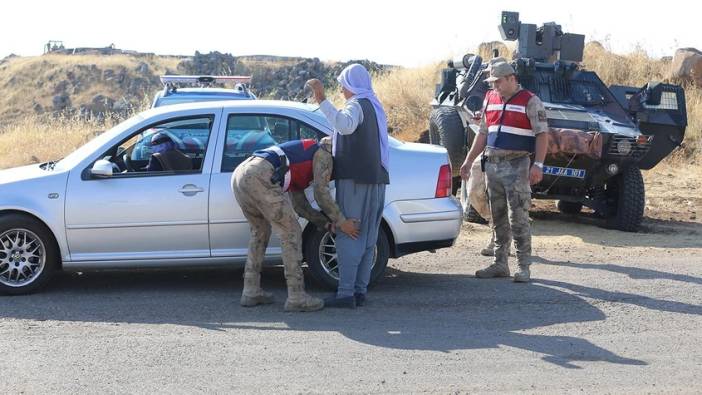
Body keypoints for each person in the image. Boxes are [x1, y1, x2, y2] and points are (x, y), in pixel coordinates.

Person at [231, 136, 358, 312]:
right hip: (259, 175)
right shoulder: (325, 153)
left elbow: (300, 206)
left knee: (260, 232)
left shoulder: (300, 159)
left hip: (242, 173)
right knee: (291, 232)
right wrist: (342, 222)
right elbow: (321, 194)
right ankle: (297, 296)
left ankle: (251, 290)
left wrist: (327, 224)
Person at [306, 63, 389, 308]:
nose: (341, 89)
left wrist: (321, 99)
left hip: (355, 181)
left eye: (343, 84)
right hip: (375, 180)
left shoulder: (356, 105)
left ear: (352, 85)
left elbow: (345, 125)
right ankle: (359, 291)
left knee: (349, 233)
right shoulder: (373, 105)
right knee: (367, 237)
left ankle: (345, 294)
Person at [459, 58, 548, 282]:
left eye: (498, 81)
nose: (495, 85)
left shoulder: (530, 100)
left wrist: (538, 164)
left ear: (512, 78)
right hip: (492, 164)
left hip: (517, 164)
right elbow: (483, 133)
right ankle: (500, 263)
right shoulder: (490, 98)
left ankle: (523, 266)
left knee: (518, 215)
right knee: (497, 215)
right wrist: (469, 161)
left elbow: (542, 134)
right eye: (493, 82)